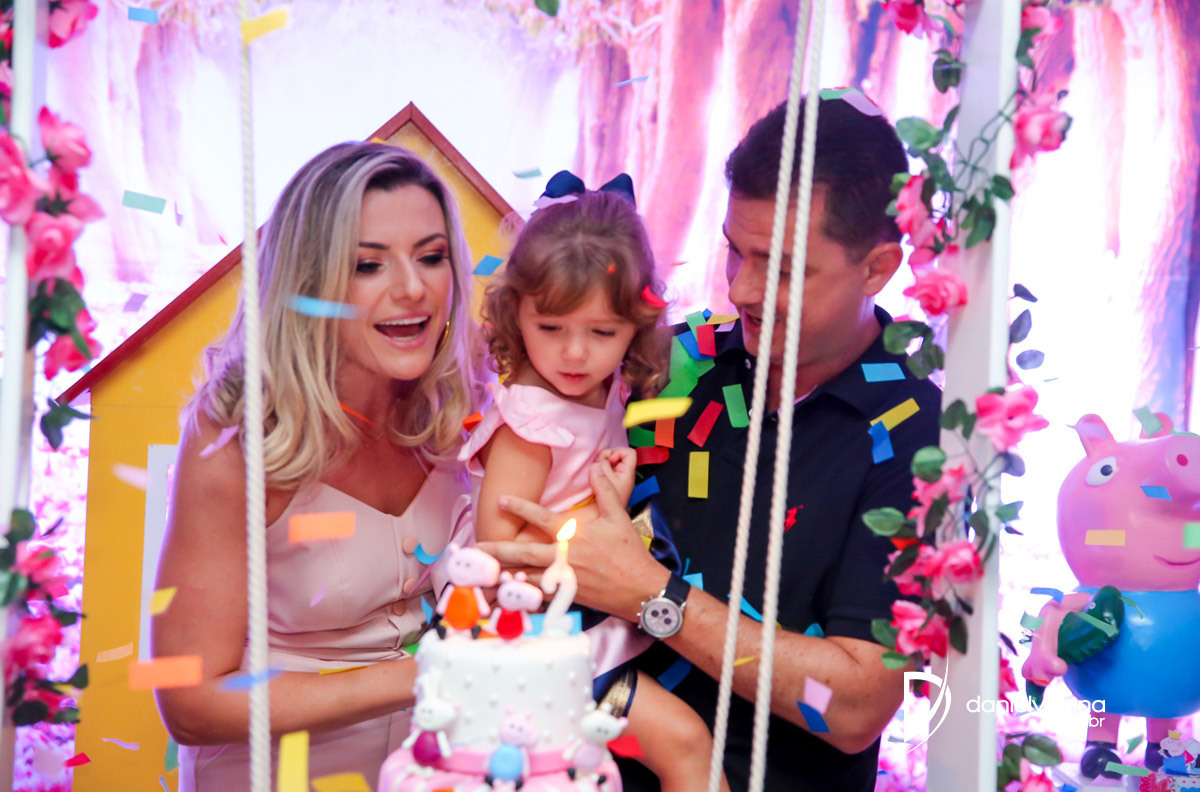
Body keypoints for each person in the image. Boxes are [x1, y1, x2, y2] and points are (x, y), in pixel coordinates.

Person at [477, 93, 942, 791]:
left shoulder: (922, 437)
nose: (742, 288)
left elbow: (853, 708)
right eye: (734, 251)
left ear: (877, 268)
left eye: (779, 268)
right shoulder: (663, 363)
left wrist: (650, 594)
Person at [153, 141, 488, 791]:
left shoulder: (466, 399)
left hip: (434, 765)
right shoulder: (235, 437)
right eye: (368, 265)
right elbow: (189, 702)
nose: (412, 288)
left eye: (431, 256)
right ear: (308, 283)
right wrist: (424, 676)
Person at [465, 172, 730, 792]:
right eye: (551, 328)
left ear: (637, 324)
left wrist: (610, 485)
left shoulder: (601, 389)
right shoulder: (533, 423)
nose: (575, 354)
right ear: (516, 313)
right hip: (536, 643)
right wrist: (589, 526)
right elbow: (495, 557)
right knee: (686, 744)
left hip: (589, 617)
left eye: (601, 332)